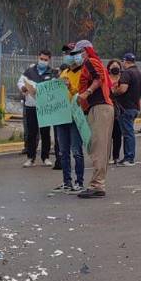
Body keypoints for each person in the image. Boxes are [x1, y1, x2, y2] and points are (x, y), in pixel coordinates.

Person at [70, 39, 114, 198]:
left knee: (98, 147)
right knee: (99, 147)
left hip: (99, 107)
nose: (76, 56)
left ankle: (97, 185)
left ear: (85, 51)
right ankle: (98, 184)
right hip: (100, 108)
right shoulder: (92, 63)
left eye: (78, 53)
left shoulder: (91, 62)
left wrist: (87, 93)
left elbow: (98, 79)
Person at [54, 51, 86, 193]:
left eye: (72, 54)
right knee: (63, 151)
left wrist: (70, 87)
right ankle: (67, 181)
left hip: (75, 116)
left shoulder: (83, 73)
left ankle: (79, 181)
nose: (69, 57)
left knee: (76, 150)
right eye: (67, 54)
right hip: (61, 115)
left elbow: (81, 94)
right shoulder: (64, 72)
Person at [18, 51, 57, 167]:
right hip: (31, 106)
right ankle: (30, 157)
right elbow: (20, 81)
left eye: (45, 60)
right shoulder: (30, 71)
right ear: (38, 57)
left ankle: (45, 157)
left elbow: (54, 87)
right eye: (41, 59)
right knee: (31, 133)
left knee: (45, 133)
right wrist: (23, 88)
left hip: (45, 107)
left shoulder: (52, 73)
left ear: (49, 60)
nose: (43, 61)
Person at [112, 53, 141, 165]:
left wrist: (113, 92)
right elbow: (140, 93)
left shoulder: (127, 73)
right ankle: (127, 156)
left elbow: (123, 89)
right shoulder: (140, 74)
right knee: (127, 132)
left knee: (128, 133)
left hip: (125, 107)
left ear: (125, 61)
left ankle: (129, 157)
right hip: (134, 107)